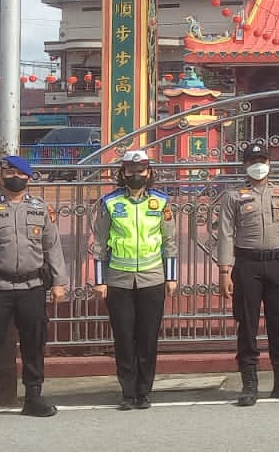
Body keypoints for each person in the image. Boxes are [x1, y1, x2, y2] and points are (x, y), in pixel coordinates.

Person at [0, 155, 67, 424]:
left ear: (28, 177)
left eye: (19, 173)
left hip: (32, 286)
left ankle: (33, 397)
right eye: (8, 172)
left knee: (34, 343)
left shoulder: (40, 209)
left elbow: (52, 247)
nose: (13, 177)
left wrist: (59, 282)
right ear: (1, 176)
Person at [214, 143, 279, 407]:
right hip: (247, 265)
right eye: (253, 160)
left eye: (262, 160)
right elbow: (226, 234)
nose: (258, 165)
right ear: (245, 165)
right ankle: (249, 384)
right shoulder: (234, 196)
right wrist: (224, 270)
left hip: (277, 264)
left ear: (269, 163)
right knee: (248, 326)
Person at [91, 149, 179, 411]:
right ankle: (127, 391)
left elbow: (169, 242)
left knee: (148, 337)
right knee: (124, 337)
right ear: (123, 173)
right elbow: (99, 244)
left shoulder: (161, 203)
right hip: (118, 279)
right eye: (131, 171)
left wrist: (171, 276)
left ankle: (144, 391)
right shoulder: (110, 203)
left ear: (149, 172)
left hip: (152, 278)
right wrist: (99, 280)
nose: (136, 175)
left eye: (141, 171)